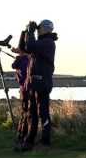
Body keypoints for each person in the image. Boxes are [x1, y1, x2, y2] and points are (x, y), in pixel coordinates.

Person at [21, 19, 58, 151]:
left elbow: (30, 46)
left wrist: (30, 32)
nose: (38, 30)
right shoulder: (41, 43)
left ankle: (45, 141)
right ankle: (30, 140)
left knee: (43, 113)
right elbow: (24, 48)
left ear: (47, 29)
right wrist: (25, 31)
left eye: (39, 28)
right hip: (35, 82)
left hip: (42, 82)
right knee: (33, 113)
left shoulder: (48, 42)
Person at [11, 32, 31, 146]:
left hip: (23, 87)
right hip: (29, 86)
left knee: (24, 111)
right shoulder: (28, 58)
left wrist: (18, 54)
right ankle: (25, 134)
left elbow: (14, 66)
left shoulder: (20, 60)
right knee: (28, 111)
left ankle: (21, 134)